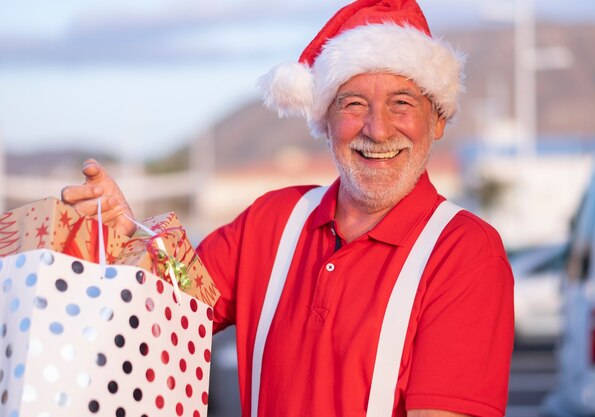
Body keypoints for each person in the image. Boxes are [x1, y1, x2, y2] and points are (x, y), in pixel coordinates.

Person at [62, 0, 514, 416]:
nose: (377, 130)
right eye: (353, 103)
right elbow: (156, 319)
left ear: (437, 120)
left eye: (401, 103)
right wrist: (123, 237)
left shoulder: (464, 252)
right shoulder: (271, 221)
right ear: (325, 121)